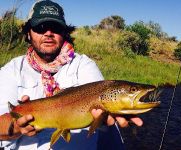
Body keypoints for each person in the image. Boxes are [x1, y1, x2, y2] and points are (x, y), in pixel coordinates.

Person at [0, 0, 143, 149]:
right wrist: (16, 126)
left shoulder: (84, 65)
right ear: (28, 33)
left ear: (64, 32)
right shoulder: (12, 70)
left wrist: (107, 115)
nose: (48, 33)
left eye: (55, 27)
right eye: (40, 27)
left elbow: (103, 97)